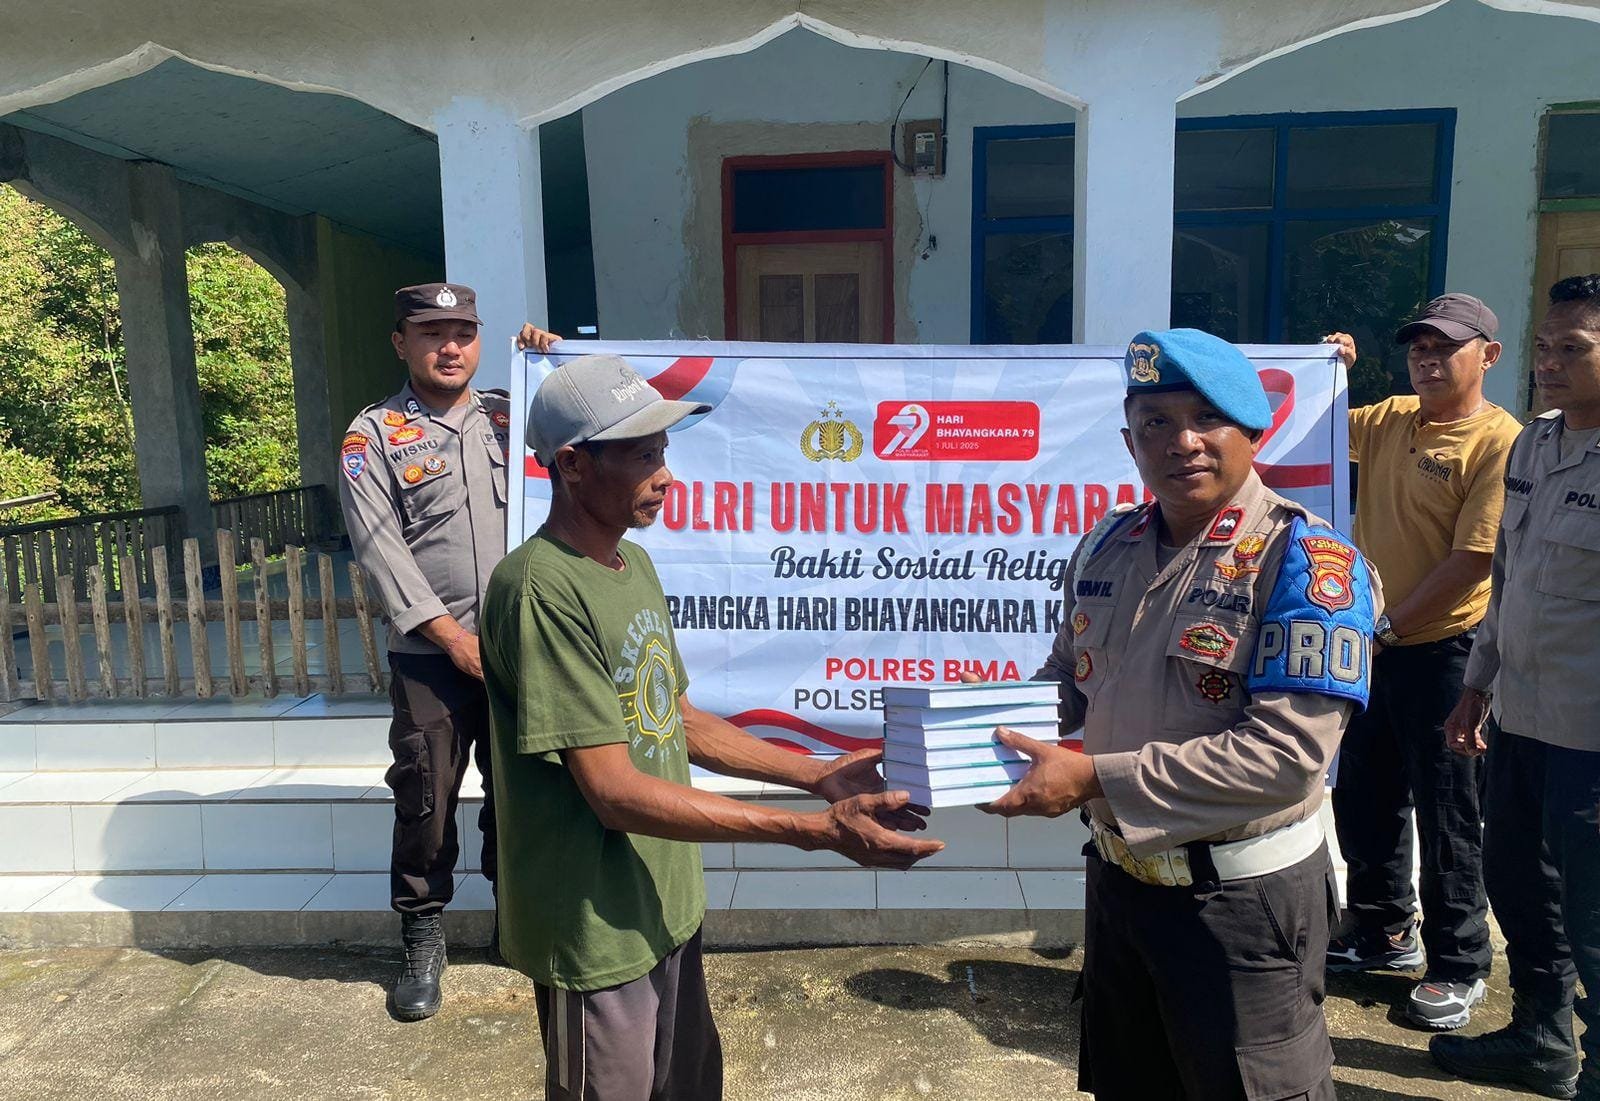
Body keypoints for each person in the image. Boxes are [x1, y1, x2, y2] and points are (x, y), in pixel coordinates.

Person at [478, 353, 944, 1101]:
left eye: (663, 452)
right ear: (572, 463)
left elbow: (680, 719)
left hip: (665, 903)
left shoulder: (631, 567)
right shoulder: (541, 588)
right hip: (594, 928)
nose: (665, 475)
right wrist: (812, 831)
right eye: (642, 456)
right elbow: (613, 793)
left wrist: (816, 772)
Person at [980, 328, 1381, 1099]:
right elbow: (1069, 685)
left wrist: (1091, 778)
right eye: (1156, 422)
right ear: (1129, 440)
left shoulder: (1306, 563)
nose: (1182, 441)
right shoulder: (1107, 545)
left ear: (1252, 431)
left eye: (1206, 417)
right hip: (1119, 886)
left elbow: (1286, 758)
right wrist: (974, 733)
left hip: (1240, 905)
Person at [338, 282, 557, 1021]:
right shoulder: (373, 436)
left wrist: (554, 367)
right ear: (401, 342)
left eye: (463, 331)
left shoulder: (511, 413)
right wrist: (454, 639)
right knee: (426, 796)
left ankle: (515, 916)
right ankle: (422, 933)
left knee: (522, 789)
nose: (450, 346)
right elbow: (381, 550)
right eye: (432, 333)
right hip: (432, 657)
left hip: (522, 645)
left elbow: (589, 443)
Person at [1318, 296, 1521, 1030]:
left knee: (1448, 808)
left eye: (1446, 348)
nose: (1428, 362)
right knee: (1364, 792)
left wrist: (1389, 625)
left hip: (1445, 651)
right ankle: (1381, 929)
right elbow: (1306, 428)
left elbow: (1473, 559)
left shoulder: (1499, 441)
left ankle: (1460, 961)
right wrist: (1327, 372)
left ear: (1488, 356)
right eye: (1418, 349)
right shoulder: (1391, 418)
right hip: (1375, 644)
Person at [1429, 274, 1600, 1101]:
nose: (1550, 363)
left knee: (1596, 916)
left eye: (1574, 348)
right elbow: (1508, 573)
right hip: (1523, 719)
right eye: (1545, 347)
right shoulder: (1535, 444)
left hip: (1590, 741)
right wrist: (1477, 684)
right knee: (1521, 889)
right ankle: (1541, 1037)